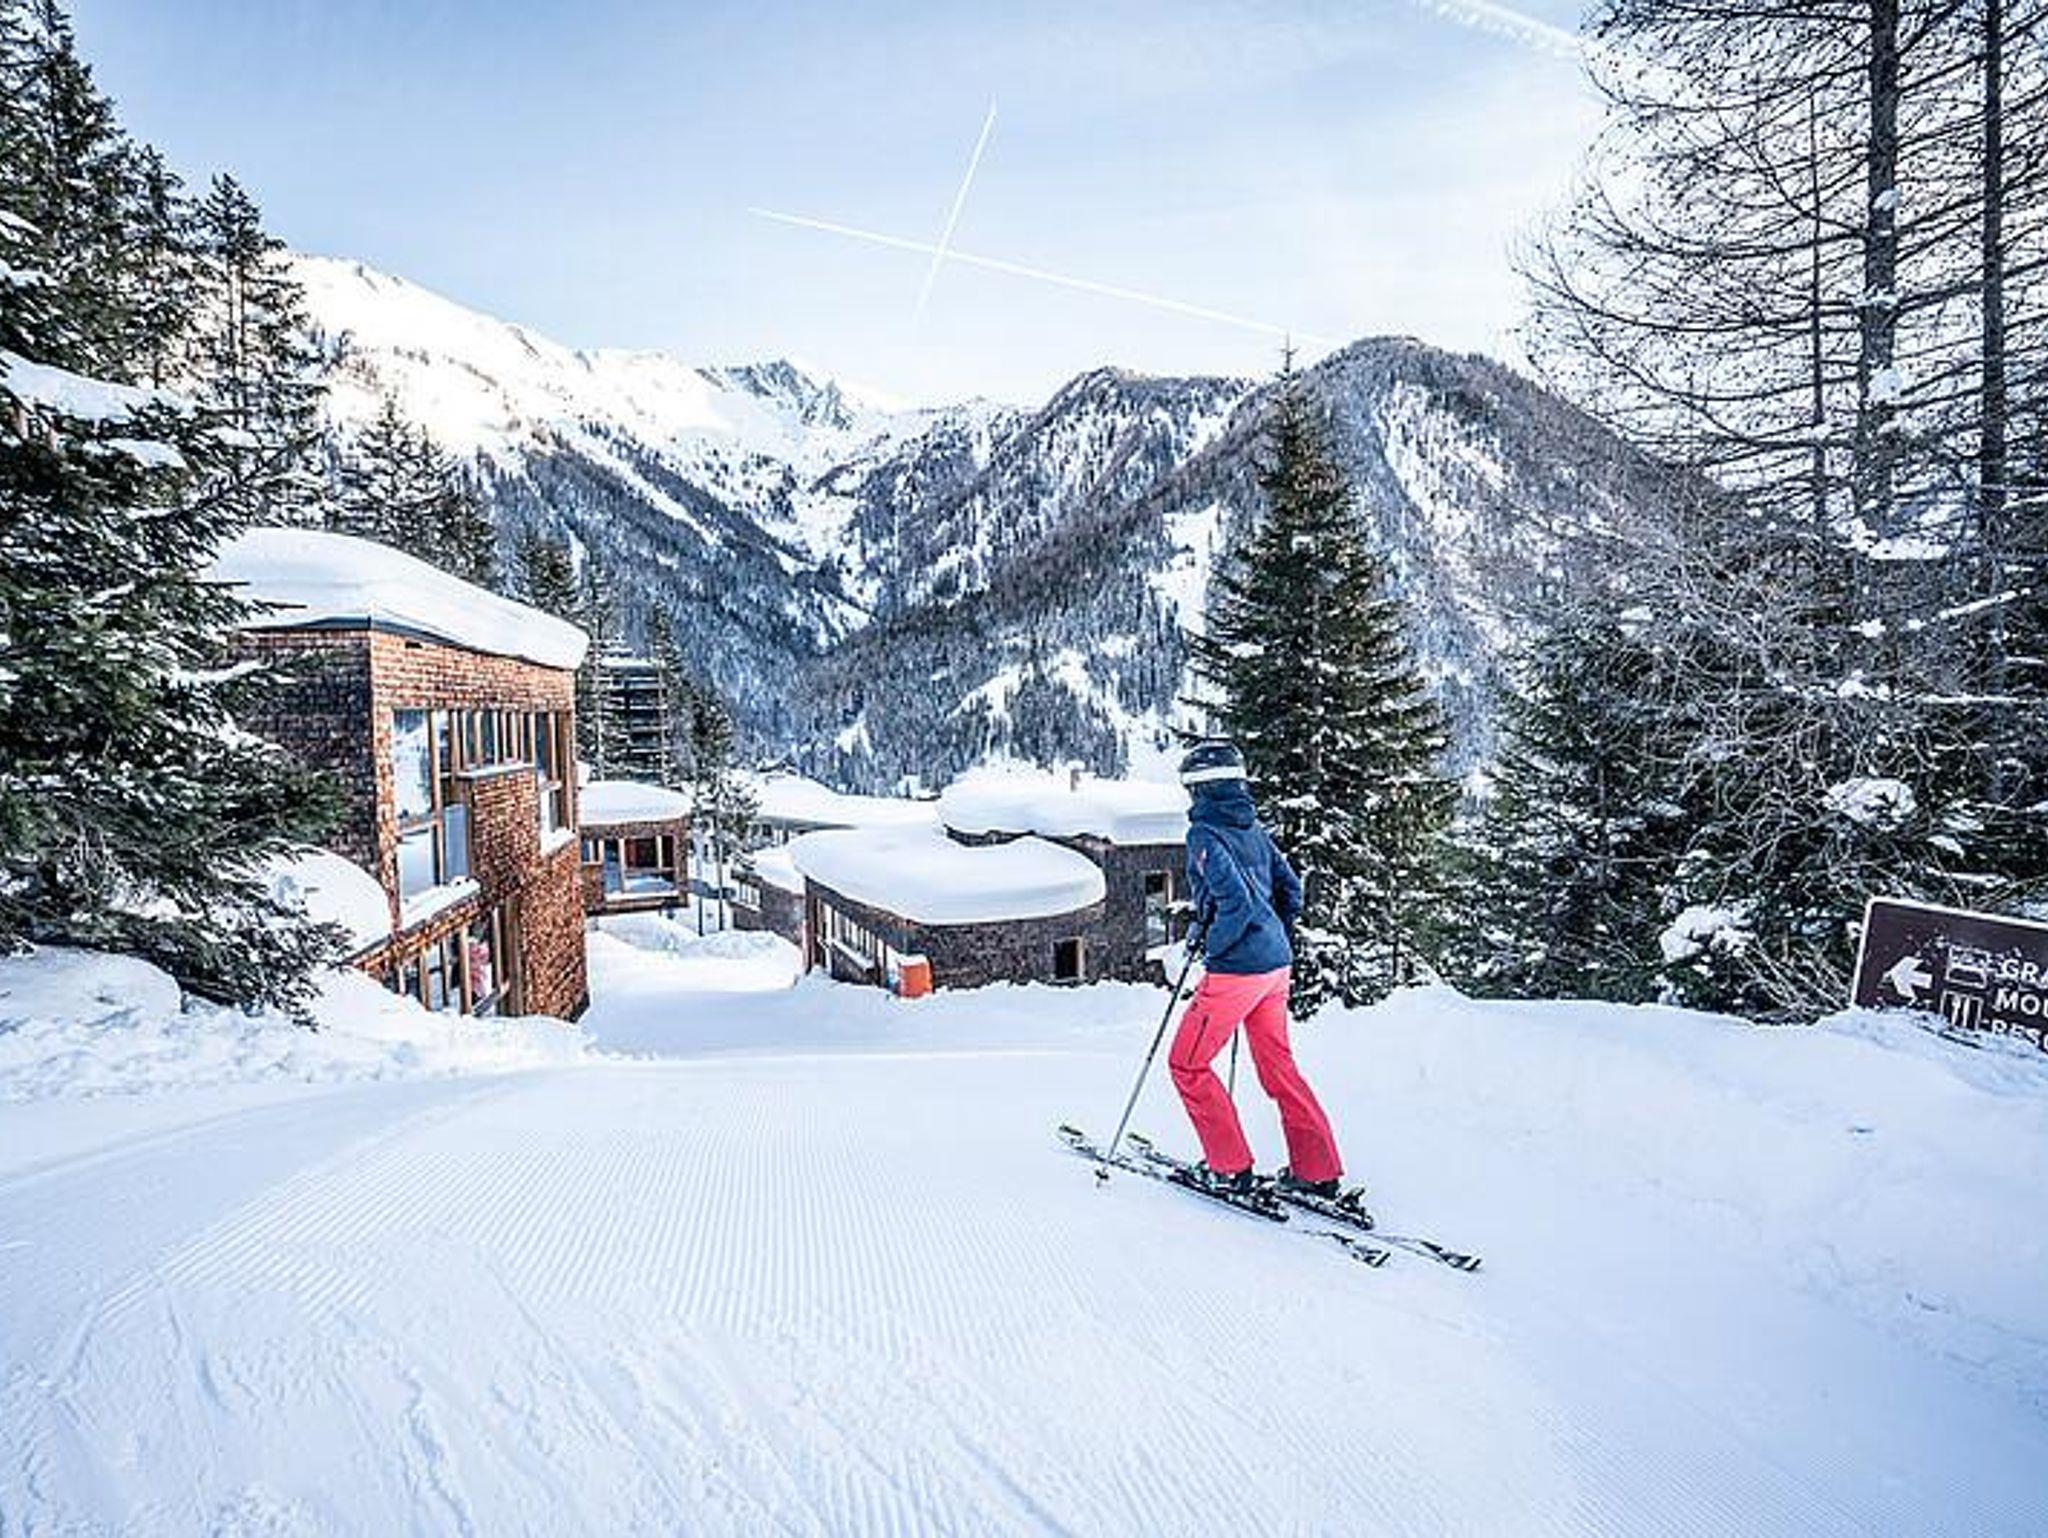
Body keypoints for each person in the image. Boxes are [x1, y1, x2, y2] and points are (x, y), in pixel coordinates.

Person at [1168, 738, 1344, 1198]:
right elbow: (1290, 890)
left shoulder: (1204, 834)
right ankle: (1317, 1172)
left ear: (1198, 788)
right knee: (1278, 1067)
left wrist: (1213, 946)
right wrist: (1271, 935)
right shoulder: (1253, 828)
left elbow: (1236, 902)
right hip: (1275, 967)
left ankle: (1230, 1169)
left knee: (1187, 1064)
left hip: (1237, 971)